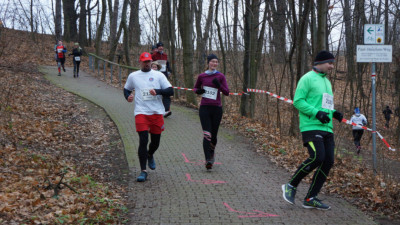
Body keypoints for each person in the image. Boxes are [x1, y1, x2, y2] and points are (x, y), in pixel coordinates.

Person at [282, 50, 343, 210]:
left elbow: (325, 106)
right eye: (330, 63)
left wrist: (333, 113)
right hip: (311, 126)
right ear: (320, 62)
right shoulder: (307, 78)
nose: (331, 66)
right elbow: (298, 101)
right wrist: (316, 113)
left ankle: (310, 198)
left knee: (328, 161)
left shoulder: (327, 83)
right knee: (317, 157)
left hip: (327, 128)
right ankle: (291, 185)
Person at [123, 52, 173, 182]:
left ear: (151, 61)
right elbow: (126, 89)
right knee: (143, 140)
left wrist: (158, 91)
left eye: (148, 61)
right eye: (144, 62)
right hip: (141, 112)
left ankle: (150, 154)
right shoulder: (133, 76)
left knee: (155, 142)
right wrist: (127, 96)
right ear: (140, 62)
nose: (147, 64)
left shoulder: (159, 75)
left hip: (156, 112)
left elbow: (170, 91)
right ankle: (143, 171)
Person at [193, 54, 230, 170]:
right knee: (207, 134)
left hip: (217, 109)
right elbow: (195, 88)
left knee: (213, 135)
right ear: (208, 62)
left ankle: (212, 151)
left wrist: (219, 85)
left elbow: (227, 92)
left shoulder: (220, 76)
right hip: (204, 108)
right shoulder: (202, 76)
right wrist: (199, 90)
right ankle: (208, 159)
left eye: (216, 62)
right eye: (212, 62)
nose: (214, 64)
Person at [152, 42, 172, 118]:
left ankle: (166, 110)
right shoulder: (154, 55)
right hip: (156, 76)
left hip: (164, 75)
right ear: (157, 48)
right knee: (157, 92)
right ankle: (156, 109)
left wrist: (169, 70)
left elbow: (167, 64)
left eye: (162, 46)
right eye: (159, 47)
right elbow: (151, 64)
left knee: (166, 92)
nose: (161, 48)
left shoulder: (165, 55)